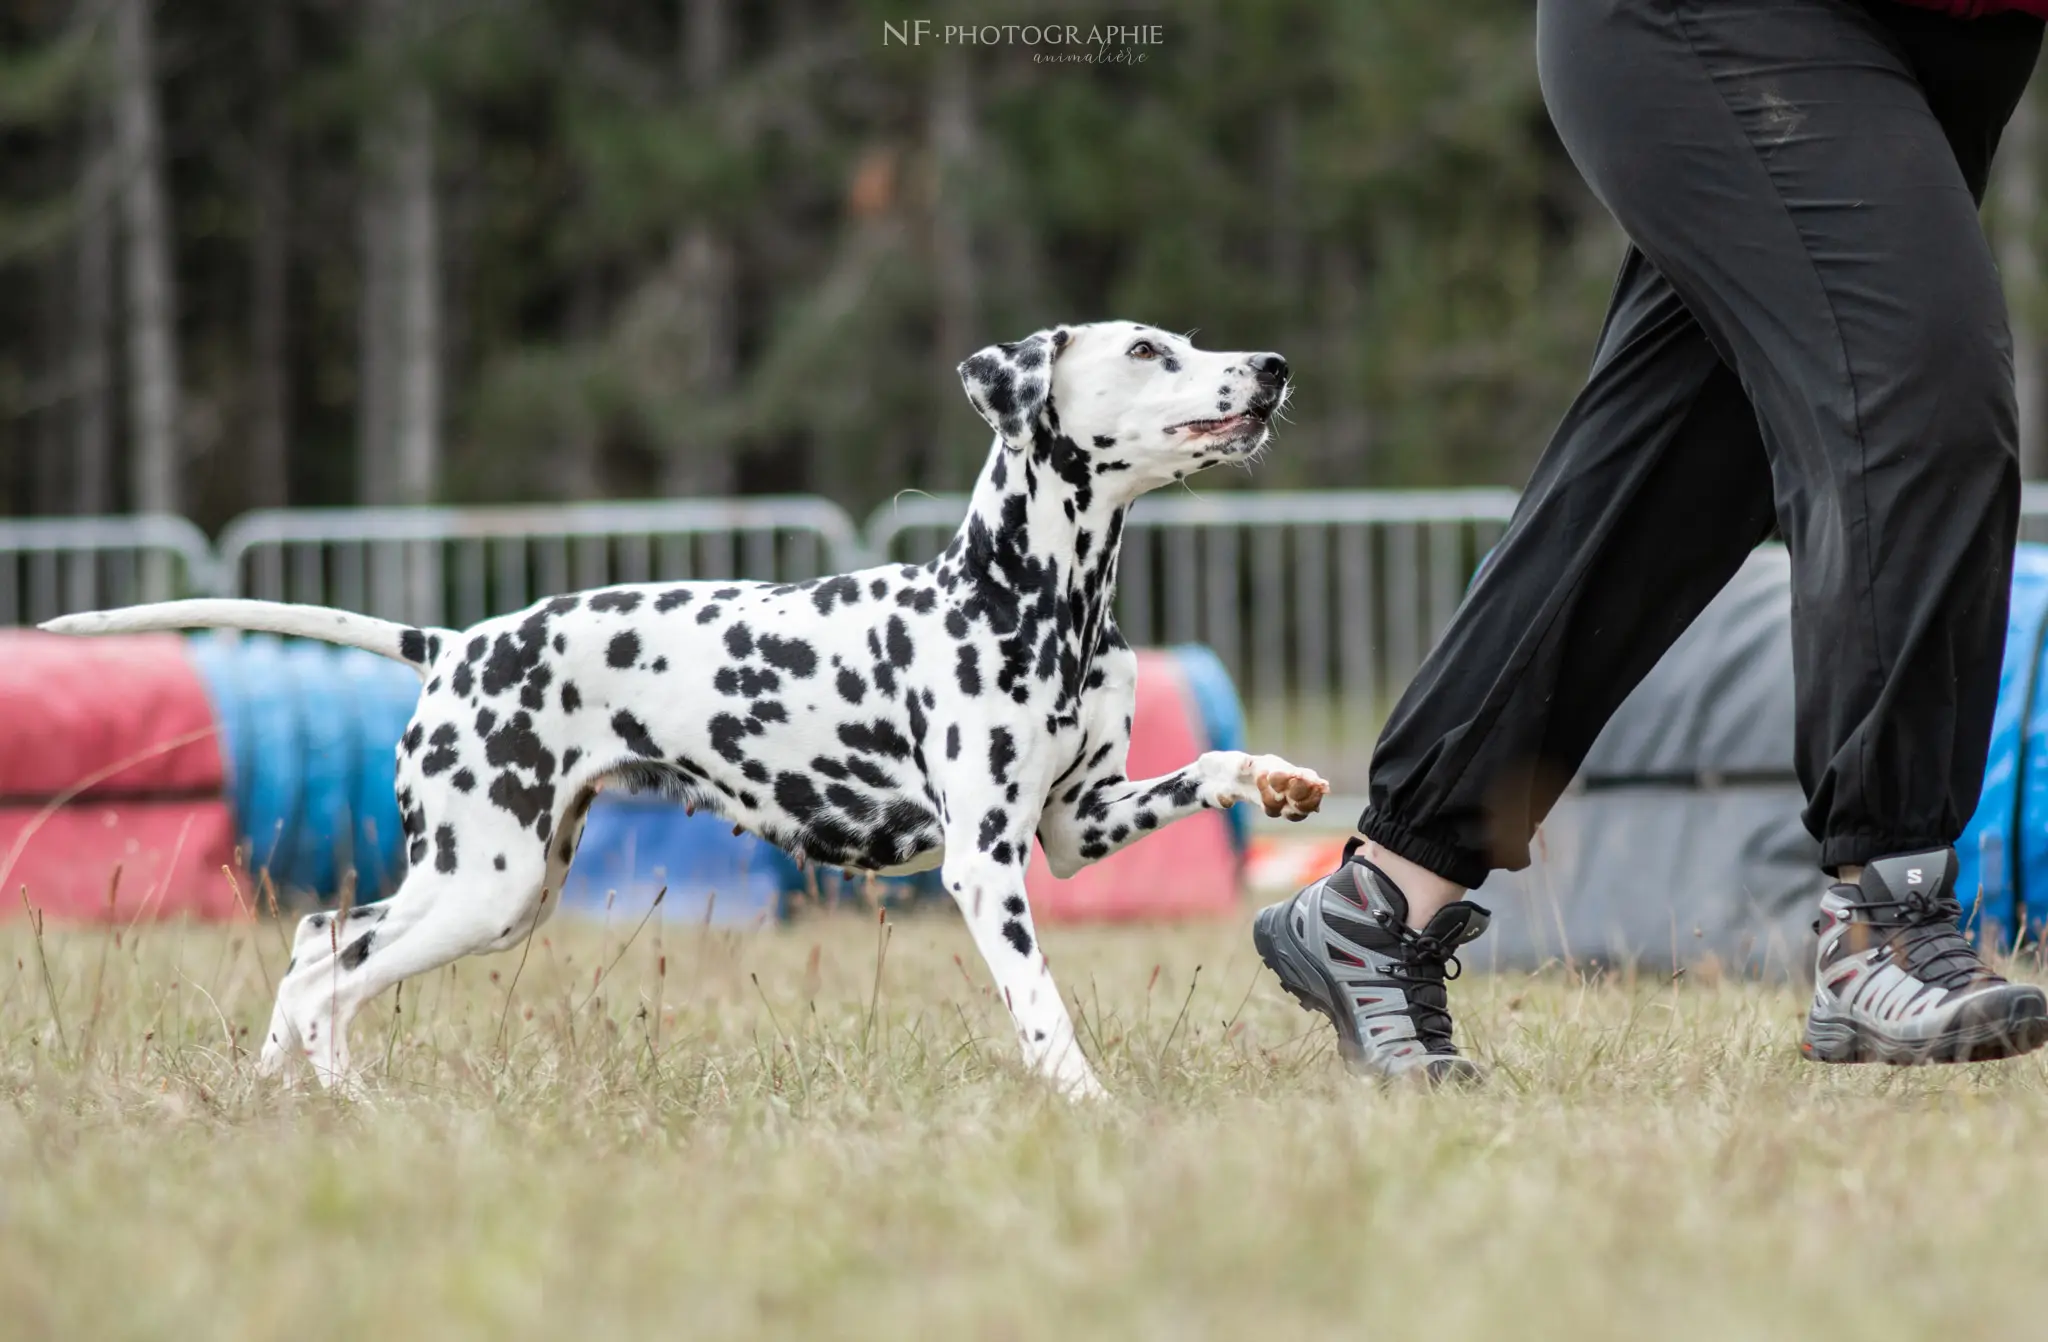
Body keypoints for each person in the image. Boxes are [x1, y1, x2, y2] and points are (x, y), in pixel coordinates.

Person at [1256, 0, 2048, 1083]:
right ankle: (1882, 913)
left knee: (1671, 472)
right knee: (1917, 399)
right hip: (1727, 18)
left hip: (1949, 40)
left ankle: (1379, 899)